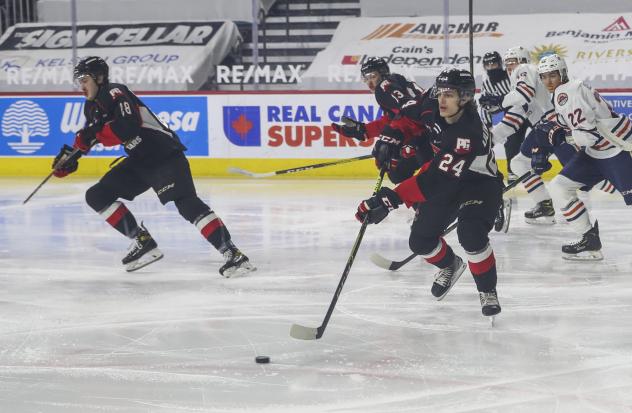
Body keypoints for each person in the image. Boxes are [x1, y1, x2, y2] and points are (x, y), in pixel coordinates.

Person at [51, 56, 255, 276]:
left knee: (186, 204)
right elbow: (93, 135)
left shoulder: (115, 93)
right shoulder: (91, 107)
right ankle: (143, 241)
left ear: (99, 78)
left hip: (163, 153)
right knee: (97, 195)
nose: (81, 85)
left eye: (84, 79)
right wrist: (73, 155)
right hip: (140, 160)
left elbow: (127, 127)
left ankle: (233, 255)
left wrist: (91, 135)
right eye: (78, 80)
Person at [355, 68, 503, 317]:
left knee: (471, 234)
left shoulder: (467, 133)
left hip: (479, 184)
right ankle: (450, 265)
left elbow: (437, 179)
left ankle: (487, 290)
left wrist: (392, 198)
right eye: (440, 93)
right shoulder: (433, 104)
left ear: (465, 98)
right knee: (420, 242)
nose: (442, 100)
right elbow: (409, 116)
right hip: (447, 179)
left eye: (450, 95)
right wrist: (391, 138)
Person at [536, 54, 632, 260]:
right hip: (595, 154)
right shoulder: (569, 89)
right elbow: (580, 126)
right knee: (559, 187)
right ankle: (589, 240)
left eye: (552, 75)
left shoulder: (566, 93)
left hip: (615, 151)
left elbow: (587, 135)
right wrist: (557, 128)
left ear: (562, 73)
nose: (548, 81)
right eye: (544, 76)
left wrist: (562, 135)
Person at [332, 57, 433, 184]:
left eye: (372, 76)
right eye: (366, 78)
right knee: (397, 174)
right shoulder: (396, 80)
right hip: (426, 132)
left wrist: (390, 136)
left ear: (383, 72)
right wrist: (365, 130)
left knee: (431, 182)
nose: (369, 83)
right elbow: (394, 118)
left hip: (428, 136)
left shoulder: (384, 87)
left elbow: (412, 110)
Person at [478, 51, 516, 233]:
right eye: (489, 65)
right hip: (511, 114)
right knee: (508, 145)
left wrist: (499, 103)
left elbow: (520, 96)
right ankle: (511, 174)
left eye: (494, 64)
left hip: (524, 112)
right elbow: (485, 106)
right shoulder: (487, 83)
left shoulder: (511, 75)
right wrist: (486, 126)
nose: (492, 68)